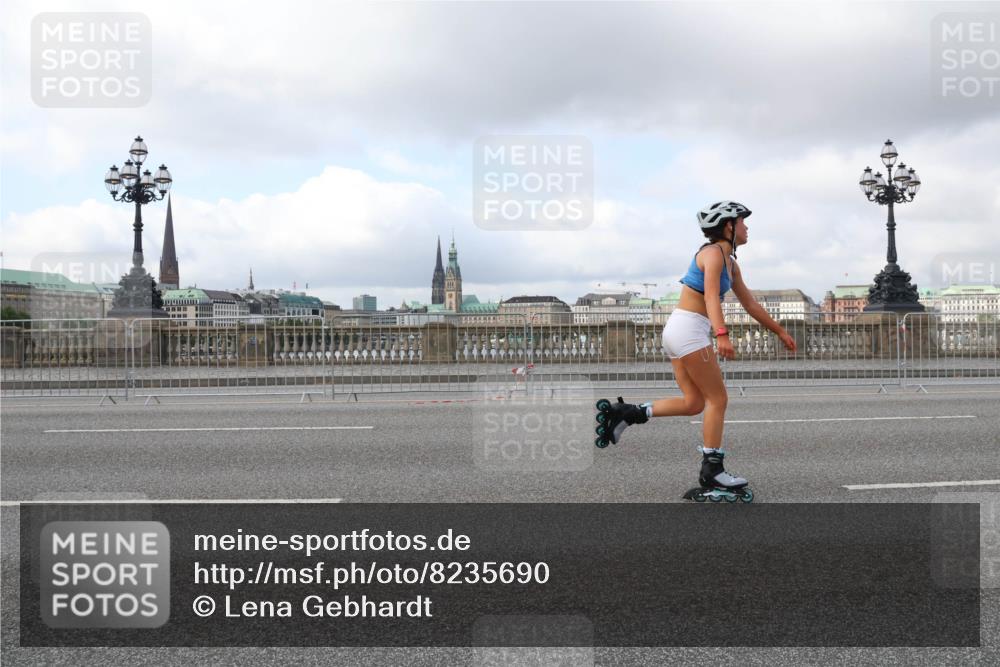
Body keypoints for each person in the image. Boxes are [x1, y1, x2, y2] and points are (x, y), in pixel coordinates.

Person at [596, 201, 797, 498]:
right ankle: (713, 471)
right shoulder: (712, 254)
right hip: (689, 331)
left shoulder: (731, 263)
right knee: (718, 399)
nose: (746, 227)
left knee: (694, 403)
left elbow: (750, 304)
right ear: (728, 226)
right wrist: (722, 335)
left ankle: (628, 413)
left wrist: (779, 330)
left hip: (682, 330)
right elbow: (712, 298)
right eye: (742, 221)